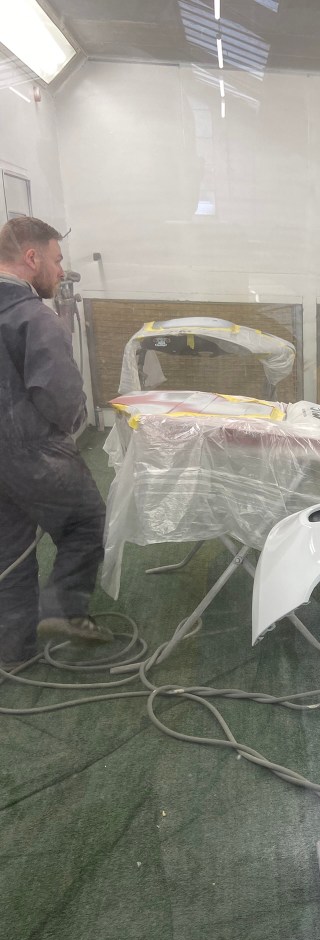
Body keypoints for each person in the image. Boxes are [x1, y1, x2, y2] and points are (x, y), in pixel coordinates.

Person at [0, 215, 112, 669]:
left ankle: (14, 651)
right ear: (32, 257)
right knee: (86, 522)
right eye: (57, 259)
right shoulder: (33, 317)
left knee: (10, 549)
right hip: (33, 453)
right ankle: (63, 611)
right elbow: (62, 400)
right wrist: (76, 419)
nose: (61, 270)